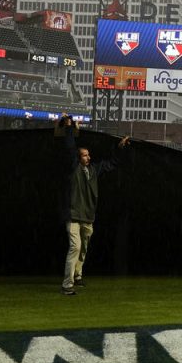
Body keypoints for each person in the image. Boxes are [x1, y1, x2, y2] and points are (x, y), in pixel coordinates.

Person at [55, 114, 129, 295]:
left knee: (83, 248)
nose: (88, 157)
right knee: (75, 247)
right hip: (73, 215)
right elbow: (70, 148)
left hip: (88, 216)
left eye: (88, 155)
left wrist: (120, 148)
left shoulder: (94, 170)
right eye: (84, 155)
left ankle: (77, 275)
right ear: (78, 158)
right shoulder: (74, 168)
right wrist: (69, 128)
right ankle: (67, 285)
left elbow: (112, 163)